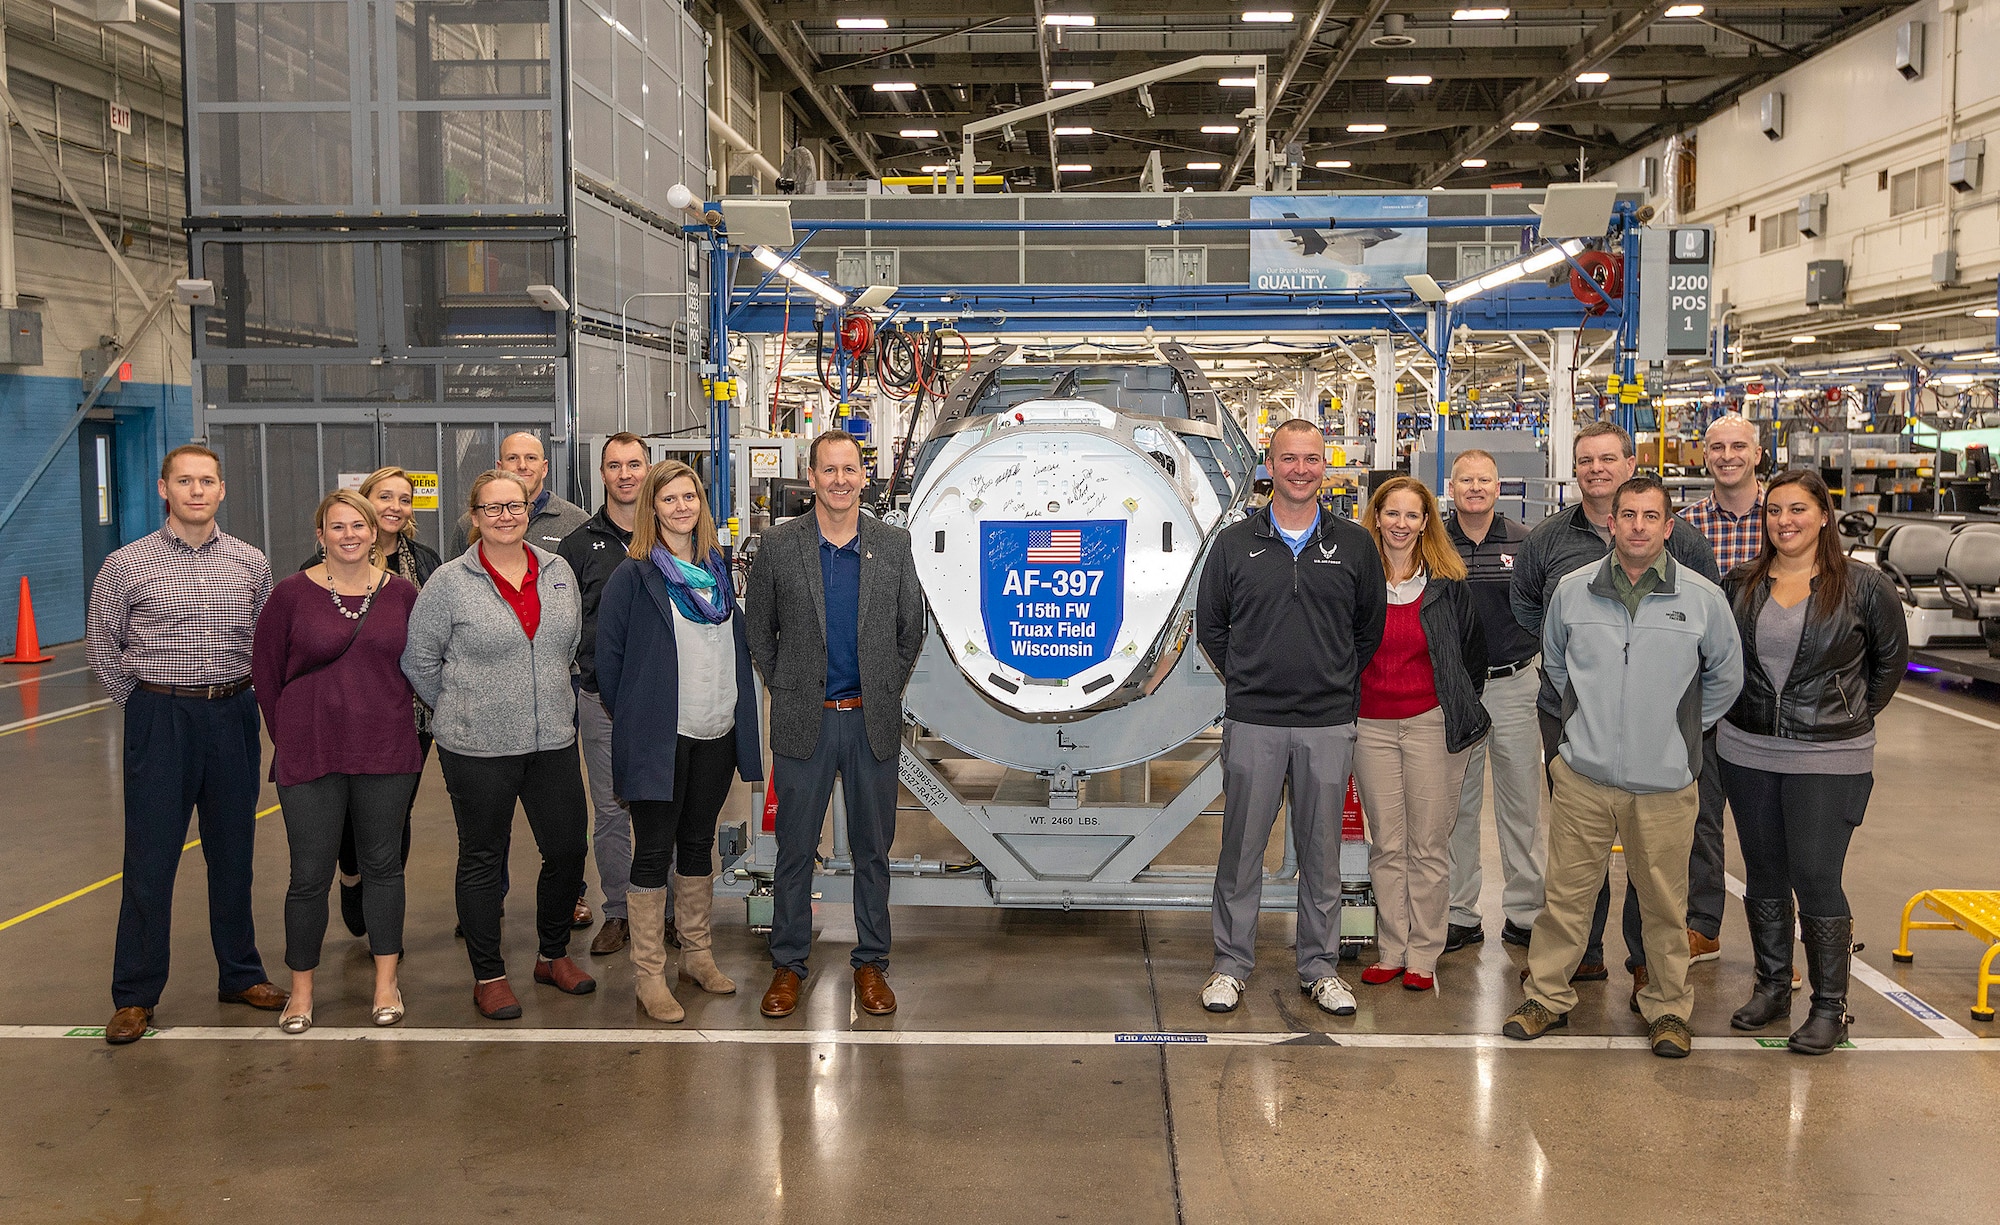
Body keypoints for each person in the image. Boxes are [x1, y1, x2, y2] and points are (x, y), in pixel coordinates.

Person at [1504, 475, 1742, 1058]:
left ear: (1668, 527)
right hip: (1584, 777)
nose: (1637, 525)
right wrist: (1576, 743)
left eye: (1649, 516)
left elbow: (1725, 680)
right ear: (1612, 523)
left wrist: (1673, 736)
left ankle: (1666, 1008)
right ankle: (1547, 997)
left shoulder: (1702, 599)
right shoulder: (1572, 591)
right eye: (1627, 515)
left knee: (1664, 902)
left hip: (1664, 782)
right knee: (1566, 897)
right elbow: (1556, 669)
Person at [85, 444, 287, 1045]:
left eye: (207, 481)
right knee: (150, 859)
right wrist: (153, 704)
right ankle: (135, 995)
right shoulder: (126, 564)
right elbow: (103, 651)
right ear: (163, 489)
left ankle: (240, 972)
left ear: (222, 490)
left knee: (233, 853)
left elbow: (264, 644)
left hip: (231, 716)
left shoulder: (251, 562)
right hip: (160, 718)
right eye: (184, 481)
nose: (196, 491)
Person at [1194, 418, 1386, 1016]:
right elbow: (1213, 629)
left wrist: (1329, 678)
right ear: (1268, 466)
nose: (1300, 470)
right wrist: (1252, 677)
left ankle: (1319, 966)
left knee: (1321, 852)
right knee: (1240, 848)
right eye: (1288, 459)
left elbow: (1368, 630)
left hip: (1328, 722)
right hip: (1255, 719)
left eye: (1310, 459)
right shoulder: (1233, 545)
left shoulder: (1355, 544)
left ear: (1323, 468)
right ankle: (1230, 964)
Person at [1718, 470, 1907, 1054]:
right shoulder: (1741, 583)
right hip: (1747, 750)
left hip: (1830, 757)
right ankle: (1773, 987)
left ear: (1824, 514)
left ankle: (1830, 1006)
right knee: (1764, 873)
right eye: (1774, 511)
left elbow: (1889, 665)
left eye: (1798, 509)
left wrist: (1841, 717)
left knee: (1818, 878)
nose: (1785, 521)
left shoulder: (1864, 587)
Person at [745, 430, 926, 1020]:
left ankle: (871, 962)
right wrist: (788, 688)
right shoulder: (779, 546)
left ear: (863, 477)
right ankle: (788, 964)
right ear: (813, 476)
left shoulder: (893, 546)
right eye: (829, 470)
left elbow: (910, 630)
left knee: (873, 852)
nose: (840, 480)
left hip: (869, 722)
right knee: (794, 851)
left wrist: (881, 688)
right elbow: (759, 632)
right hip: (805, 724)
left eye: (850, 469)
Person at [402, 470, 595, 1020]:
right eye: (493, 508)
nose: (505, 516)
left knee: (565, 851)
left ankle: (552, 955)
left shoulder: (557, 571)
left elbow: (570, 644)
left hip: (553, 740)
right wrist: (462, 709)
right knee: (483, 858)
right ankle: (489, 974)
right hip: (477, 749)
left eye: (514, 506)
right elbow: (418, 660)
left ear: (529, 510)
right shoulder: (450, 582)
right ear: (476, 517)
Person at [596, 461, 765, 1022]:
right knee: (652, 851)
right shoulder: (635, 575)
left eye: (688, 496)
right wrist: (642, 718)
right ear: (653, 508)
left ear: (701, 504)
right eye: (668, 499)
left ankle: (697, 956)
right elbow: (609, 663)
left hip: (715, 730)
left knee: (698, 846)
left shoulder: (717, 571)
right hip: (661, 738)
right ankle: (649, 975)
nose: (681, 507)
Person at [254, 490, 422, 1032]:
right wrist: (293, 734)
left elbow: (422, 663)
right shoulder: (289, 595)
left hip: (386, 747)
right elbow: (265, 671)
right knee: (308, 874)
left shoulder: (403, 595)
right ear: (320, 536)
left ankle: (385, 982)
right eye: (337, 526)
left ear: (376, 534)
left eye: (359, 525)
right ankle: (301, 992)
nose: (349, 535)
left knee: (382, 867)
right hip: (312, 750)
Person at [1353, 476, 1489, 992]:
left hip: (1431, 725)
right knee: (1387, 844)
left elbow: (1471, 658)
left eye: (1413, 515)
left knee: (1428, 845)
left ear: (1426, 523)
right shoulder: (1357, 578)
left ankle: (1424, 953)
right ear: (1377, 517)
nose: (1401, 525)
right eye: (1392, 514)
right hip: (1371, 726)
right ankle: (1390, 947)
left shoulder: (1448, 585)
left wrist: (1447, 703)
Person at [295, 466, 441, 941]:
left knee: (394, 816)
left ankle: (383, 915)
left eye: (404, 498)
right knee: (344, 823)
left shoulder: (426, 562)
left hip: (409, 716)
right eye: (385, 497)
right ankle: (351, 874)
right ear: (364, 503)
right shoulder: (318, 568)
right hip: (340, 715)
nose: (395, 506)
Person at [1675, 414, 1767, 966]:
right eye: (1717, 448)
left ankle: (1773, 945)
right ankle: (1703, 925)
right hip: (1703, 688)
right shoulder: (1684, 527)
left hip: (1769, 693)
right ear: (1704, 456)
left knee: (1768, 827)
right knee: (1701, 813)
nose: (1727, 455)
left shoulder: (1785, 518)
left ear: (1757, 453)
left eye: (1739, 446)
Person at [1443, 450, 1544, 953]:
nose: (1476, 487)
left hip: (1514, 685)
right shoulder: (1433, 541)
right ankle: (1460, 912)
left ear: (1498, 486)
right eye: (1467, 480)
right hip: (1455, 690)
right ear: (1452, 486)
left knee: (1521, 801)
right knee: (1458, 804)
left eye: (1484, 480)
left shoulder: (1527, 542)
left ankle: (1525, 912)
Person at [558, 433, 653, 957]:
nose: (625, 474)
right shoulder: (578, 545)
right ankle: (619, 911)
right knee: (613, 813)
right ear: (602, 474)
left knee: (662, 808)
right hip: (601, 699)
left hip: (666, 702)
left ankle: (661, 911)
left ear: (647, 469)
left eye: (634, 464)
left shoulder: (672, 532)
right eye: (614, 465)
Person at [450, 429, 588, 561]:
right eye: (512, 458)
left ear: (544, 468)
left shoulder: (577, 522)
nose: (522, 466)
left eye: (531, 458)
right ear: (500, 467)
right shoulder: (471, 523)